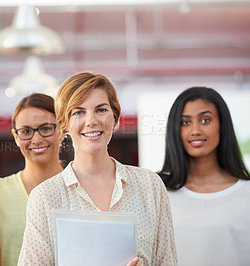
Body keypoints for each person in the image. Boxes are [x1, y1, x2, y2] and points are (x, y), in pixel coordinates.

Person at [18, 72, 177, 266]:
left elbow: (167, 262)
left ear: (115, 119)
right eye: (78, 112)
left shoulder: (149, 186)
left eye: (101, 110)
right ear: (64, 124)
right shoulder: (44, 197)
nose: (91, 121)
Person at [158, 86, 250, 266]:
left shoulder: (246, 193)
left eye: (205, 120)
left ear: (222, 126)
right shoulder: (158, 192)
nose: (195, 130)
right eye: (185, 122)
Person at [0, 93, 64, 266]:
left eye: (45, 128)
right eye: (26, 131)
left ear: (62, 130)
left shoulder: (81, 187)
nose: (36, 139)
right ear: (15, 137)